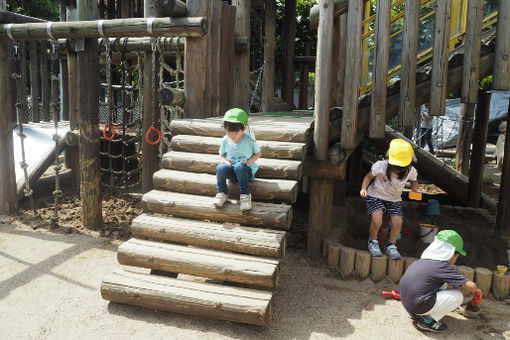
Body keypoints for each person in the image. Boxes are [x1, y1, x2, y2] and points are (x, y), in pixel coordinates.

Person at [399, 230, 482, 333]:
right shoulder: (443, 267)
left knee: (439, 284)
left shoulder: (421, 261)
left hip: (406, 303)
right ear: (451, 254)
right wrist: (477, 291)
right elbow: (471, 286)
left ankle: (415, 313)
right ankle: (427, 321)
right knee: (457, 296)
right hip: (418, 305)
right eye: (457, 255)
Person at [360, 139, 419, 259]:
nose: (398, 169)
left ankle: (391, 245)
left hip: (394, 199)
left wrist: (414, 189)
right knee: (377, 221)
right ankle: (373, 242)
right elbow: (368, 176)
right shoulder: (381, 166)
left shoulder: (410, 171)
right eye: (396, 166)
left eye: (401, 167)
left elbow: (414, 181)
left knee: (398, 222)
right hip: (376, 195)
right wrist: (363, 188)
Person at [212, 108, 262, 211]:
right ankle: (222, 193)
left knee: (240, 166)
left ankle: (245, 196)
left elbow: (258, 153)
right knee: (220, 168)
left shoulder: (249, 140)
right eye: (228, 132)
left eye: (235, 132)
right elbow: (221, 154)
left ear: (243, 129)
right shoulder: (226, 140)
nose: (232, 135)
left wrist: (248, 163)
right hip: (232, 172)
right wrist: (226, 161)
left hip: (245, 171)